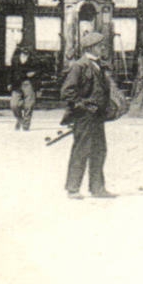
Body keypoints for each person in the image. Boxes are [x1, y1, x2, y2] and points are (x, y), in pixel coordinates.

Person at [60, 30, 114, 199]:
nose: (103, 48)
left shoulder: (98, 65)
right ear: (92, 47)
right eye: (100, 45)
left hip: (97, 116)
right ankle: (73, 189)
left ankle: (97, 188)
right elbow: (67, 92)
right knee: (81, 151)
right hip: (84, 117)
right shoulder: (79, 66)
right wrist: (82, 106)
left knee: (99, 150)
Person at [9, 44, 40, 131]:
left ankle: (26, 124)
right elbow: (11, 71)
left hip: (29, 83)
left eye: (27, 48)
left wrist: (34, 74)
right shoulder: (15, 59)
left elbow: (40, 71)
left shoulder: (34, 59)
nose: (25, 50)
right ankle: (20, 119)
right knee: (14, 105)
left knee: (29, 105)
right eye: (23, 48)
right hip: (17, 83)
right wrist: (9, 83)